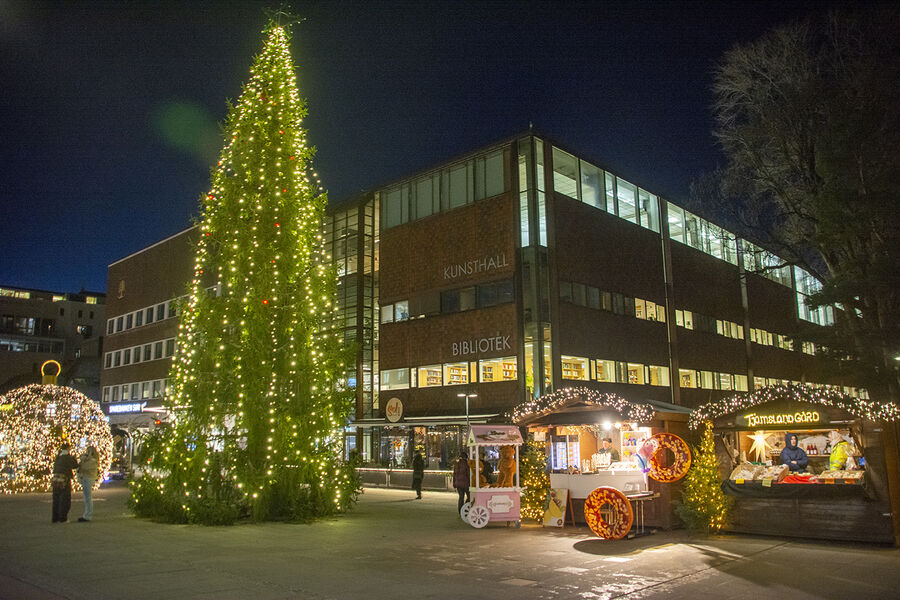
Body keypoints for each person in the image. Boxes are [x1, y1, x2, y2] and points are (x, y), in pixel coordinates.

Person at [51, 444, 79, 523]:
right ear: (68, 449)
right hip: (65, 479)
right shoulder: (68, 458)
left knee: (56, 498)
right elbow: (75, 465)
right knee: (65, 498)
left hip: (56, 479)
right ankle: (63, 518)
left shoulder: (58, 457)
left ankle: (55, 517)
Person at [76, 446, 100, 522]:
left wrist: (83, 461)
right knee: (87, 498)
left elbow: (83, 468)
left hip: (88, 479)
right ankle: (87, 514)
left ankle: (87, 515)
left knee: (88, 498)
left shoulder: (92, 461)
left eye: (88, 451)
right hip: (86, 478)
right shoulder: (90, 460)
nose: (86, 453)